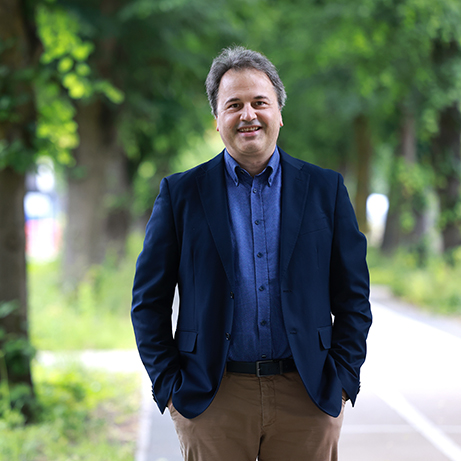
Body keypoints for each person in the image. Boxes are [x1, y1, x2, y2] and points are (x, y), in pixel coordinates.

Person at [131, 46, 372, 461]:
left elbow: (354, 297)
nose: (248, 115)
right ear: (217, 119)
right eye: (234, 105)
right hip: (212, 397)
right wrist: (170, 389)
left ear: (279, 112)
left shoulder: (325, 190)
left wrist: (343, 379)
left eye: (260, 102)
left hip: (307, 395)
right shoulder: (180, 195)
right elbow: (147, 303)